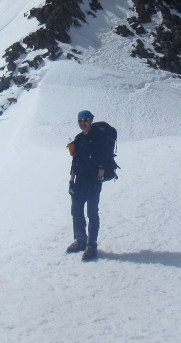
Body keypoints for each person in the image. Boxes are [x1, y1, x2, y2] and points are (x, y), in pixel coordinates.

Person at [66, 110, 109, 261]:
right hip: (80, 181)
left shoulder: (99, 138)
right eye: (80, 120)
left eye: (85, 119)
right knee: (76, 210)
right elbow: (74, 161)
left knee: (92, 212)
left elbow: (103, 160)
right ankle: (80, 240)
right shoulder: (78, 139)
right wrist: (71, 181)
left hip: (93, 181)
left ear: (91, 120)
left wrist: (99, 179)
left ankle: (91, 245)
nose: (82, 122)